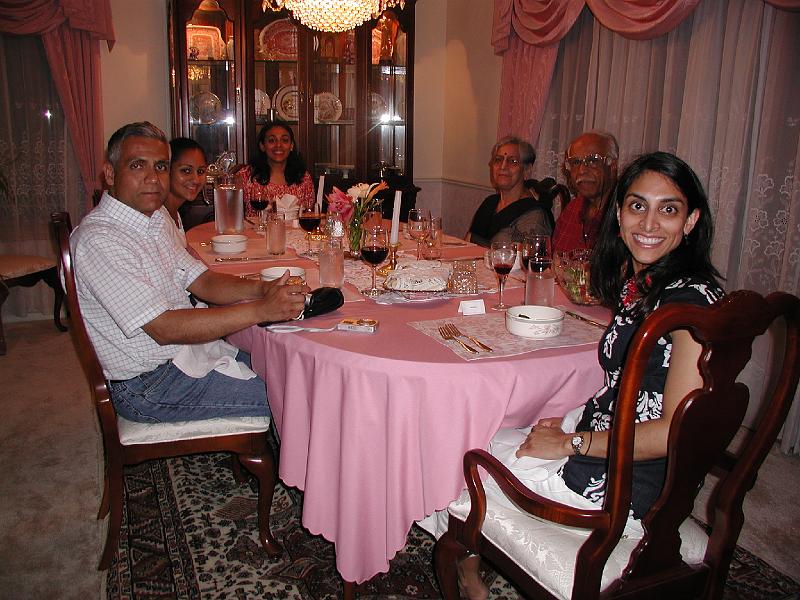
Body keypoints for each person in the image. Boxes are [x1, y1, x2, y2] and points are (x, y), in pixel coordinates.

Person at [433, 151, 725, 600]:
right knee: (489, 432)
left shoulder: (690, 306)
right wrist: (572, 420)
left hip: (623, 488)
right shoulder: (652, 284)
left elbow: (674, 433)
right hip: (610, 447)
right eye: (638, 205)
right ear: (619, 214)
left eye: (668, 209)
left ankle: (467, 572)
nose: (649, 223)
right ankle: (473, 562)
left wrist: (571, 442)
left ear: (691, 221)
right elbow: (628, 390)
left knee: (452, 462)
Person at [70, 121, 309, 424]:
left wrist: (263, 287)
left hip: (186, 355)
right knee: (298, 397)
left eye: (160, 166)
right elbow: (164, 328)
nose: (152, 178)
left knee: (292, 371)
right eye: (137, 165)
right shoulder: (100, 239)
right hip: (150, 384)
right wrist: (262, 309)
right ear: (109, 173)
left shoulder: (153, 219)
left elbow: (202, 280)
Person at [466, 136, 553, 247]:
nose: (503, 167)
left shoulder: (534, 216)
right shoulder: (489, 203)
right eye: (498, 160)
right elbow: (468, 243)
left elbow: (532, 257)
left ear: (527, 170)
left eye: (513, 161)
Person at [552, 130, 619, 253]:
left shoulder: (624, 217)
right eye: (575, 162)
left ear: (612, 166)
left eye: (592, 161)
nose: (581, 170)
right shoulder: (572, 209)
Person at [237, 120, 314, 215]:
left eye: (284, 140)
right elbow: (231, 213)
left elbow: (309, 213)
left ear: (291, 146)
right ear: (262, 146)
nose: (278, 145)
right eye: (271, 140)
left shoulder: (303, 177)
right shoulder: (245, 176)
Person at [166, 137, 207, 244]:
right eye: (186, 171)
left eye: (200, 171)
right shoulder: (159, 218)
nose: (196, 180)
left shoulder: (174, 213)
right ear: (167, 170)